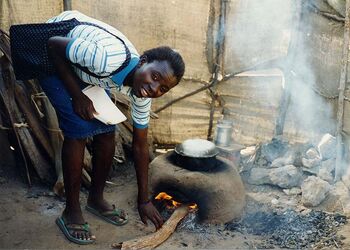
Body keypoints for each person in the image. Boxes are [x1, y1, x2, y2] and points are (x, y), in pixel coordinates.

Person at [41, 10, 185, 244]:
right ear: (144, 62)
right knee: (78, 129)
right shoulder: (107, 60)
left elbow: (139, 145)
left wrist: (144, 200)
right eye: (156, 76)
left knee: (108, 132)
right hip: (52, 50)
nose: (155, 88)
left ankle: (96, 199)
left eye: (163, 89)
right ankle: (71, 211)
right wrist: (77, 96)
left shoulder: (142, 91)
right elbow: (53, 44)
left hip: (83, 67)